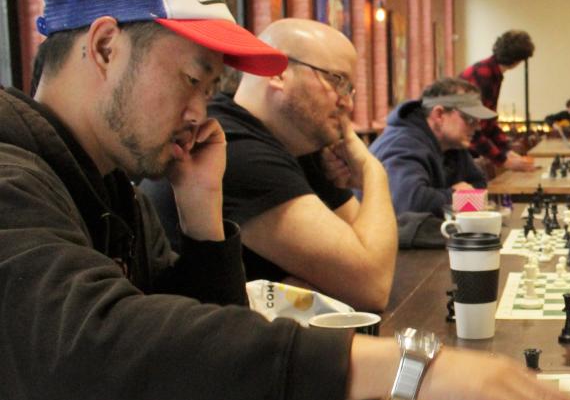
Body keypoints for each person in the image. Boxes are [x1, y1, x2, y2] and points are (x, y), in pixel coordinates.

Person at [0, 0, 570, 400]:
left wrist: (203, 217)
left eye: (212, 90)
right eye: (192, 79)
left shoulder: (108, 187)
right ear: (105, 46)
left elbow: (198, 379)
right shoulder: (10, 176)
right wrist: (412, 366)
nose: (199, 113)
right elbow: (98, 354)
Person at [142, 19, 397, 313]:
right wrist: (373, 170)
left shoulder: (297, 142)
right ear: (278, 73)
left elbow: (376, 255)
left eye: (349, 89)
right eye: (337, 80)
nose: (347, 102)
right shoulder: (233, 148)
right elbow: (372, 284)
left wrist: (334, 282)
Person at [370, 77, 489, 217]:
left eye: (478, 121)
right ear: (439, 115)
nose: (477, 127)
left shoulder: (453, 145)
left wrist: (452, 196)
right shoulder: (403, 143)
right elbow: (410, 204)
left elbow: (479, 184)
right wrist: (455, 195)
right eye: (470, 119)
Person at [460, 30, 536, 172]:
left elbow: (489, 121)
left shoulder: (491, 71)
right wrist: (504, 161)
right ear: (518, 61)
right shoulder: (485, 74)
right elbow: (474, 127)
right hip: (457, 148)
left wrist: (506, 151)